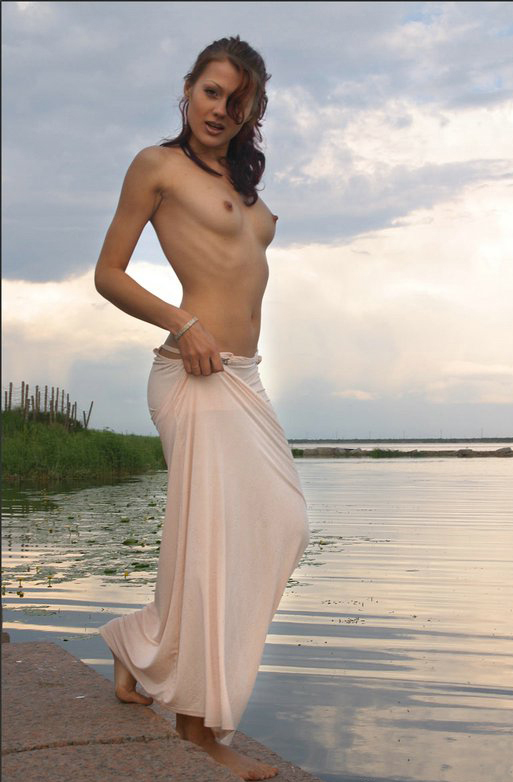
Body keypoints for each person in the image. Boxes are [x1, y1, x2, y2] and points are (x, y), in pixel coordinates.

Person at [95, 35, 310, 781]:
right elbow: (108, 273)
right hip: (193, 374)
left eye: (237, 100)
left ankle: (138, 646)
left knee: (281, 524)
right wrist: (182, 323)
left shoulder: (241, 183)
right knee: (218, 546)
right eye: (211, 91)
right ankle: (198, 729)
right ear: (188, 89)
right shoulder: (157, 167)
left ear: (252, 110)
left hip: (243, 377)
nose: (220, 108)